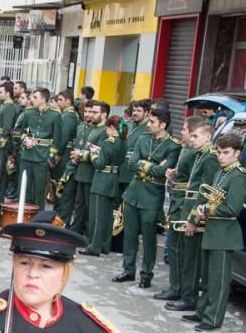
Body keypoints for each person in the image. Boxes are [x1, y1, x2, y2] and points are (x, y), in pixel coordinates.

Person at [183, 133, 246, 332]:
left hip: (224, 235)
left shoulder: (238, 176)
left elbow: (232, 209)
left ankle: (212, 319)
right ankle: (202, 311)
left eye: (226, 153)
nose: (221, 156)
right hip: (212, 231)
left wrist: (206, 210)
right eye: (219, 152)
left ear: (237, 153)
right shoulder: (221, 172)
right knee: (206, 276)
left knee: (218, 280)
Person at [113, 108, 181, 289]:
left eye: (152, 122)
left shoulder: (173, 145)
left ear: (163, 125)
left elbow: (164, 172)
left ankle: (146, 274)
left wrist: (147, 166)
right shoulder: (143, 139)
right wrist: (152, 166)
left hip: (152, 196)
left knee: (149, 237)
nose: (148, 124)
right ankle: (128, 270)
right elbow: (132, 164)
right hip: (134, 192)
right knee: (129, 234)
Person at [165, 120, 219, 313]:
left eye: (196, 136)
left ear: (208, 137)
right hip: (187, 205)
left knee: (191, 259)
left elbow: (205, 192)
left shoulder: (210, 158)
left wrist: (194, 219)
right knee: (183, 253)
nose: (193, 139)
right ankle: (183, 293)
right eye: (192, 135)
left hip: (194, 210)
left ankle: (189, 297)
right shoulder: (200, 155)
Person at [10, 88, 61, 209]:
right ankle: (22, 215)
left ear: (44, 99)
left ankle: (37, 218)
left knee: (39, 190)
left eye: (35, 97)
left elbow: (57, 139)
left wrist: (50, 158)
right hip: (26, 155)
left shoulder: (55, 116)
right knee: (23, 188)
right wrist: (25, 139)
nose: (32, 99)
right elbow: (20, 131)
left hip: (42, 157)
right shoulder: (28, 113)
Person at [81, 114, 124, 256]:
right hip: (113, 179)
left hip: (102, 181)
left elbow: (99, 164)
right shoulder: (123, 142)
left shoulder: (108, 142)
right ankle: (105, 246)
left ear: (111, 127)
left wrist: (93, 154)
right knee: (107, 216)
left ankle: (94, 247)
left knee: (97, 216)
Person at [63, 100, 108, 235]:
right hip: (81, 171)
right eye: (90, 112)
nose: (91, 115)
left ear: (104, 114)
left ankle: (89, 235)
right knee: (79, 205)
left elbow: (100, 153)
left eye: (94, 112)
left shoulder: (104, 131)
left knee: (90, 208)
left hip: (92, 173)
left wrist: (81, 155)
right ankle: (75, 232)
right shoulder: (90, 128)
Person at [0, 82, 19, 203]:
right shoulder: (3, 105)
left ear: (8, 93)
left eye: (1, 92)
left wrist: (2, 142)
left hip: (0, 143)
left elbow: (7, 127)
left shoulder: (9, 107)